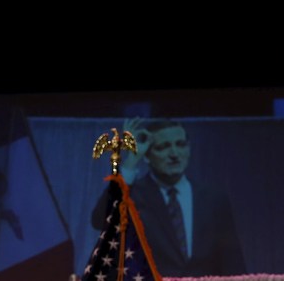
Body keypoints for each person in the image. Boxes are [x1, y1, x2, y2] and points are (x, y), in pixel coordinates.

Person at [90, 117, 247, 277]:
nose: (174, 154)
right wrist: (131, 163)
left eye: (180, 144)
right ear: (146, 155)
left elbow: (232, 260)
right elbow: (100, 220)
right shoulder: (133, 196)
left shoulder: (214, 199)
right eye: (163, 147)